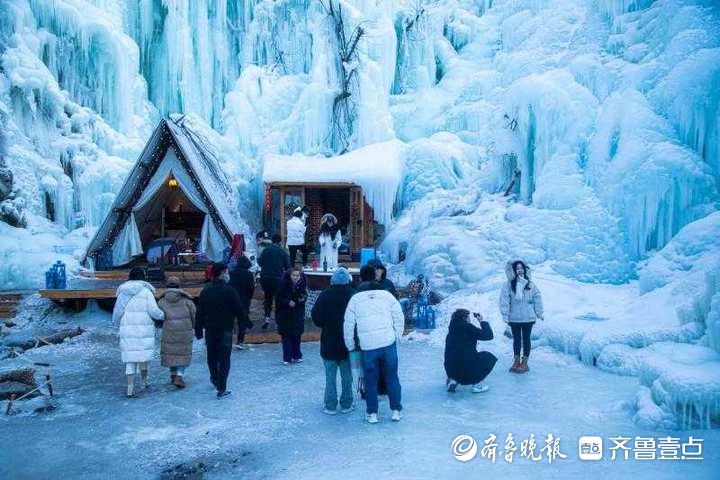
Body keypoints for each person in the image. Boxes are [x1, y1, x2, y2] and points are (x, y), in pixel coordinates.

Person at [344, 265, 405, 424]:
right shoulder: (386, 295)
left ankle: (372, 413)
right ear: (375, 277)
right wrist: (397, 335)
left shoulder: (355, 299)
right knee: (392, 377)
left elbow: (348, 324)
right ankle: (396, 410)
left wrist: (350, 345)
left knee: (370, 380)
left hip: (368, 347)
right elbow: (399, 315)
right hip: (388, 343)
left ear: (360, 278)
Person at [195, 262, 245, 398]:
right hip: (225, 329)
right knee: (224, 359)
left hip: (210, 329)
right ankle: (221, 387)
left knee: (211, 356)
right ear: (223, 273)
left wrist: (198, 329)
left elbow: (200, 312)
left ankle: (214, 378)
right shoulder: (230, 290)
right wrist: (245, 323)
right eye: (227, 272)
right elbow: (239, 309)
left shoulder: (206, 290)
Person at [113, 267, 164, 398]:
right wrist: (163, 315)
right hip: (144, 329)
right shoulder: (146, 292)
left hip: (127, 328)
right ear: (143, 277)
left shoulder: (123, 292)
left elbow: (117, 312)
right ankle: (144, 381)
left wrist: (117, 324)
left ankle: (130, 388)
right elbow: (154, 311)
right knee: (143, 357)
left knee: (130, 359)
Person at [311, 267, 355, 415]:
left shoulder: (325, 295)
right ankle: (347, 403)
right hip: (348, 344)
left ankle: (330, 405)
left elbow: (316, 317)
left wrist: (326, 324)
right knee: (347, 376)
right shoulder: (353, 295)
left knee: (330, 377)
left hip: (329, 342)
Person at [499, 260, 544, 373]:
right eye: (517, 268)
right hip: (514, 318)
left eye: (521, 268)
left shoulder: (530, 284)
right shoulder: (508, 284)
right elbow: (504, 300)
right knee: (517, 340)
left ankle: (524, 363)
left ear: (525, 270)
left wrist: (539, 312)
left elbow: (537, 298)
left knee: (526, 339)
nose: (520, 270)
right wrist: (505, 315)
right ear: (514, 271)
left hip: (528, 318)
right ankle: (516, 361)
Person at [444, 309, 497, 393]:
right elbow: (488, 335)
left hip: (450, 368)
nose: (470, 319)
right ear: (464, 318)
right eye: (468, 317)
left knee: (459, 360)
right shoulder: (467, 327)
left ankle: (453, 380)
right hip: (466, 369)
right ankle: (476, 384)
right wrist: (481, 321)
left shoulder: (451, 330)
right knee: (488, 357)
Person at [158, 276, 196, 389]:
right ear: (179, 286)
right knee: (182, 354)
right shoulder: (187, 300)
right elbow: (194, 315)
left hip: (168, 330)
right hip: (185, 331)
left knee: (171, 354)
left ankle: (173, 375)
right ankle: (179, 376)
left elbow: (158, 316)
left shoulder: (161, 301)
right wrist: (194, 326)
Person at [258, 233, 291, 330]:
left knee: (267, 298)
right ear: (280, 241)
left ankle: (267, 319)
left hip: (265, 278)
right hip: (277, 278)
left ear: (272, 240)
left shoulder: (265, 250)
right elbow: (288, 267)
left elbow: (260, 262)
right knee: (278, 300)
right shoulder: (282, 251)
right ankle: (277, 321)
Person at [276, 266, 307, 364]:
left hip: (297, 314)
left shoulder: (302, 285)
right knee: (286, 337)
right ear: (290, 276)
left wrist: (303, 299)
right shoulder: (283, 285)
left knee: (297, 336)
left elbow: (304, 295)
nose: (296, 277)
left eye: (298, 275)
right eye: (294, 275)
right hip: (285, 315)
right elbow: (278, 298)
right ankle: (287, 357)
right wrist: (287, 302)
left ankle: (296, 355)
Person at [229, 255, 255, 349]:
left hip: (233, 299)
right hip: (244, 299)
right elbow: (251, 288)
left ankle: (228, 339)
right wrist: (249, 297)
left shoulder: (232, 273)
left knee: (231, 320)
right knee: (242, 321)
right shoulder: (248, 274)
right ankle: (240, 340)